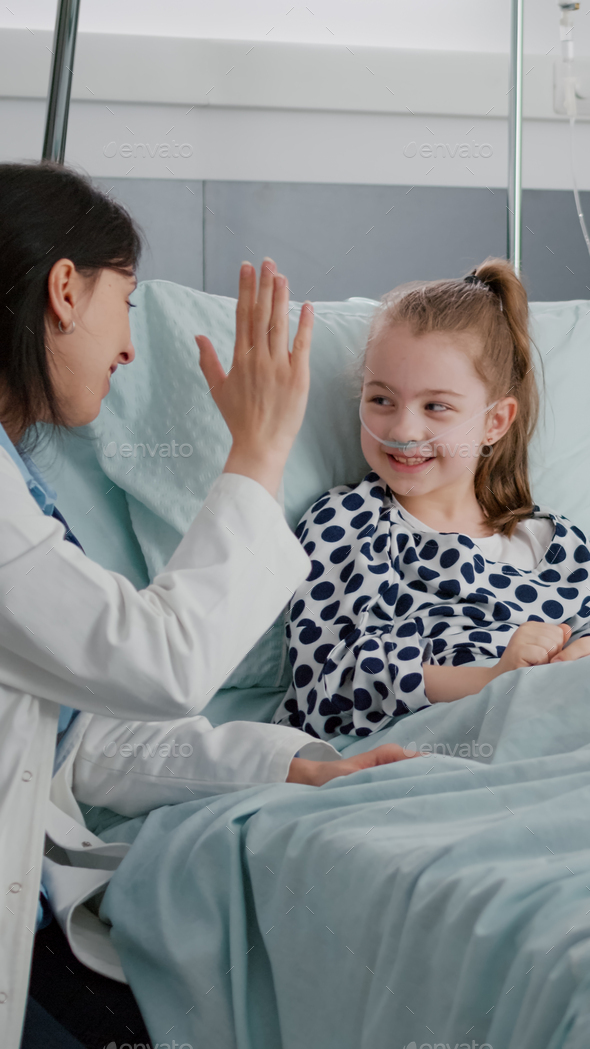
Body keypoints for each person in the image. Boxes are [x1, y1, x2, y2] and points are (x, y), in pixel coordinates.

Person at [0, 161, 415, 1049]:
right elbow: (155, 661)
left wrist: (289, 766)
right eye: (128, 303)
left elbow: (75, 732)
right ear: (65, 290)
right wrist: (258, 452)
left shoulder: (19, 489)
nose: (125, 348)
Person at [273, 258, 590, 741]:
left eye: (436, 407)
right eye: (381, 400)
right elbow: (324, 690)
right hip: (423, 752)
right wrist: (493, 679)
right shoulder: (348, 524)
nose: (403, 430)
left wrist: (568, 661)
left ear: (495, 422)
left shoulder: (561, 548)